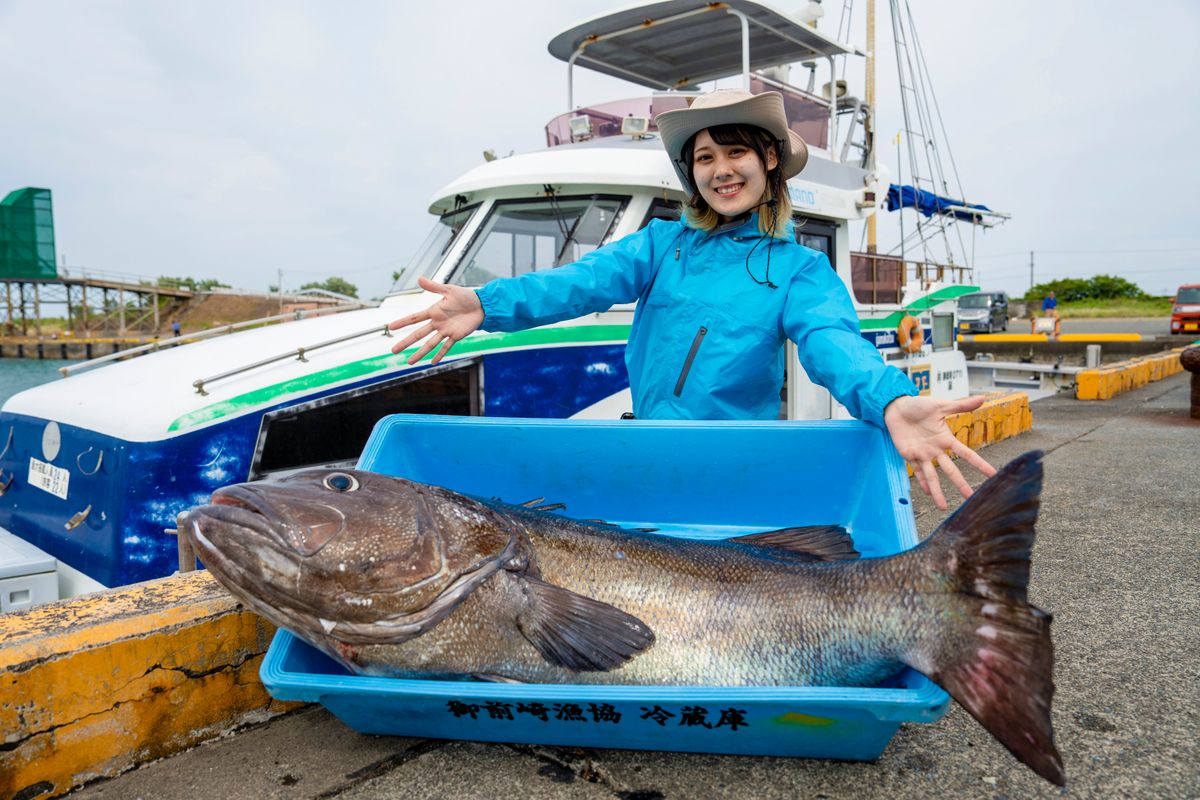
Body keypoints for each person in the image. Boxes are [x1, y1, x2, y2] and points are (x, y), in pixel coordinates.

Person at [387, 90, 995, 510]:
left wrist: (890, 399)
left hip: (736, 462)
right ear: (692, 172)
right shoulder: (659, 245)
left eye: (736, 153)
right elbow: (577, 283)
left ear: (770, 160)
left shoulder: (800, 269)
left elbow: (833, 346)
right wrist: (487, 305)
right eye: (705, 157)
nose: (721, 170)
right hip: (648, 450)